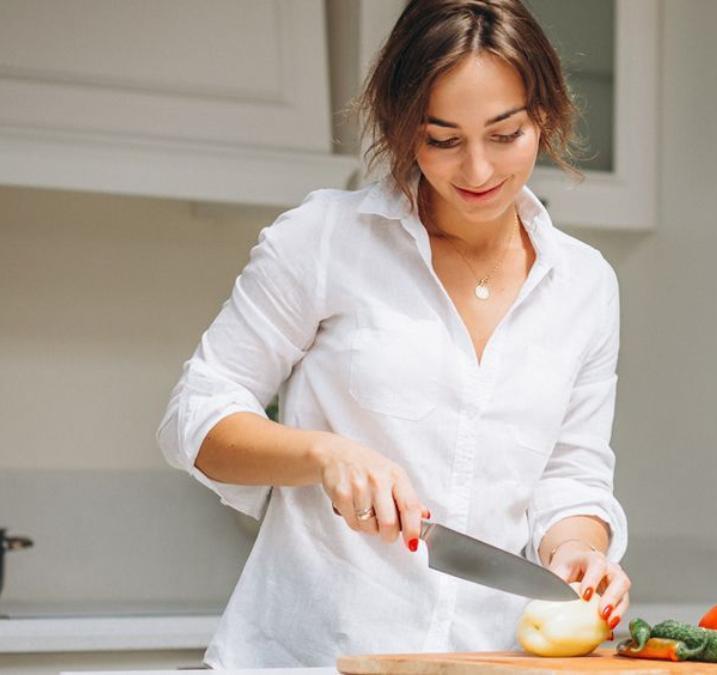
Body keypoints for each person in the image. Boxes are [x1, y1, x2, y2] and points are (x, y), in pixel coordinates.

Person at [156, 0, 630, 667]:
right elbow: (194, 419)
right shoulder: (324, 240)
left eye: (505, 134)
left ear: (544, 115)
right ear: (405, 128)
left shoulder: (585, 283)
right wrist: (324, 454)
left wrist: (578, 550)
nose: (477, 171)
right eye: (443, 138)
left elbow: (571, 474)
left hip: (479, 661)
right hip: (306, 657)